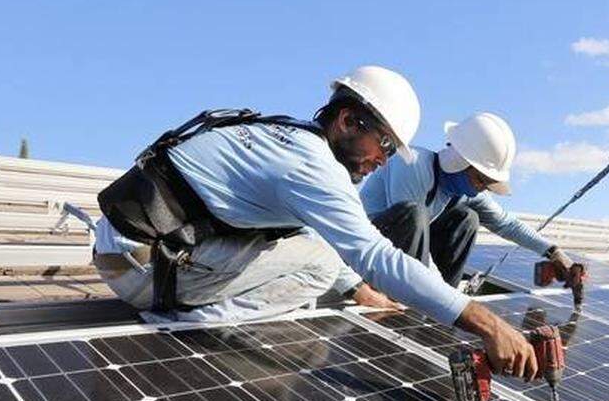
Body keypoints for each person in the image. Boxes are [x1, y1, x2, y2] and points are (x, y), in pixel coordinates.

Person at [92, 66, 539, 378]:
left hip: (134, 248)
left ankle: (187, 306)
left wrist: (359, 290)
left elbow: (303, 233)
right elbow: (375, 255)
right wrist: (489, 324)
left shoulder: (289, 138)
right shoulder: (313, 166)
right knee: (324, 263)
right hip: (145, 270)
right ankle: (187, 325)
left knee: (323, 255)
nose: (383, 160)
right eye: (382, 143)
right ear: (347, 120)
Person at [360, 112, 579, 287]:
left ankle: (436, 307)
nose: (481, 189)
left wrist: (553, 252)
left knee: (467, 218)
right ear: (459, 162)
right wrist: (448, 298)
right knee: (413, 215)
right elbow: (412, 239)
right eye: (480, 179)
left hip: (404, 255)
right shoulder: (412, 165)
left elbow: (507, 224)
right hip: (364, 247)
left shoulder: (463, 192)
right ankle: (429, 297)